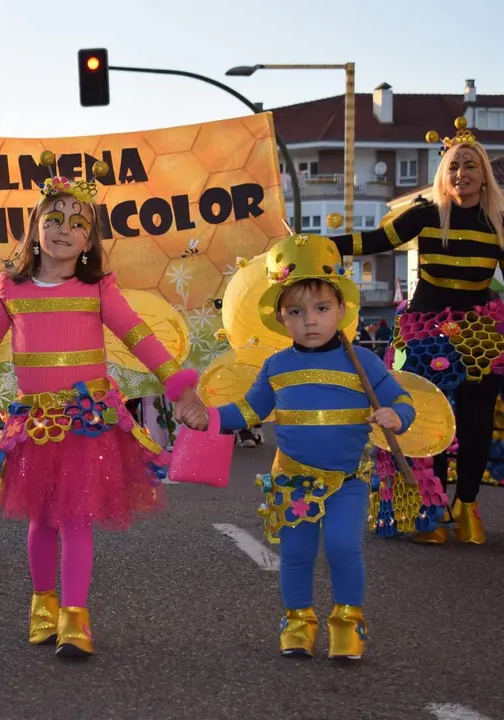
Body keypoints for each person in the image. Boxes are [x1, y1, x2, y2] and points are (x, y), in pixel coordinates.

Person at [0, 167, 203, 659]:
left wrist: (180, 387)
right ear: (34, 230)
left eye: (78, 223)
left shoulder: (98, 290)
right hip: (33, 424)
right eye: (54, 218)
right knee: (41, 521)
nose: (65, 228)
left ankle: (75, 618)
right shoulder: (13, 290)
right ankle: (43, 607)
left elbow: (138, 335)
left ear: (89, 241)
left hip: (86, 421)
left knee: (76, 519)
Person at [183, 234, 414, 660]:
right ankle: (298, 620)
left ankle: (347, 622)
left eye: (321, 308)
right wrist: (209, 418)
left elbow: (401, 400)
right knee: (297, 553)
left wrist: (396, 415)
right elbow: (249, 411)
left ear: (342, 311)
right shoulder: (277, 366)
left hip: (347, 479)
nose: (310, 320)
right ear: (281, 319)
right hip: (292, 480)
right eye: (296, 311)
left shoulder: (365, 361)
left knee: (345, 547)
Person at [328, 120, 504, 544]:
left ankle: (468, 506)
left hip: (480, 333)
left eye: (470, 165)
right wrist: (321, 245)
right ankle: (434, 508)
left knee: (477, 420)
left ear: (484, 174)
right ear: (444, 174)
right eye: (453, 166)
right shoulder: (425, 215)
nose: (461, 173)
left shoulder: (498, 220)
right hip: (426, 332)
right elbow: (373, 240)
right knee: (429, 419)